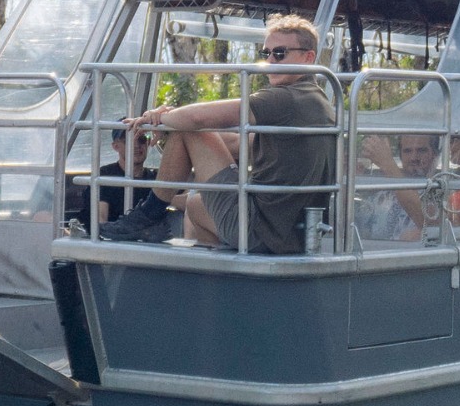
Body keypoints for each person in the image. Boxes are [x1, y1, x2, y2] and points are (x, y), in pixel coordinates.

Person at [107, 13, 336, 252]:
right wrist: (169, 129)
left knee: (189, 128)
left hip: (262, 230)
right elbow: (239, 142)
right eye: (265, 53)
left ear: (308, 57)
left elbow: (197, 119)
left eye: (280, 53)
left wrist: (158, 119)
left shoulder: (286, 98)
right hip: (289, 235)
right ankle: (216, 280)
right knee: (196, 205)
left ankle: (147, 217)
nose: (270, 61)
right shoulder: (316, 100)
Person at [353, 131, 441, 241]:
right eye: (407, 151)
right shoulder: (384, 195)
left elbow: (432, 224)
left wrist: (387, 164)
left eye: (421, 150)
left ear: (434, 154)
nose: (414, 157)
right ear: (400, 155)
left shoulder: (439, 190)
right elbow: (359, 230)